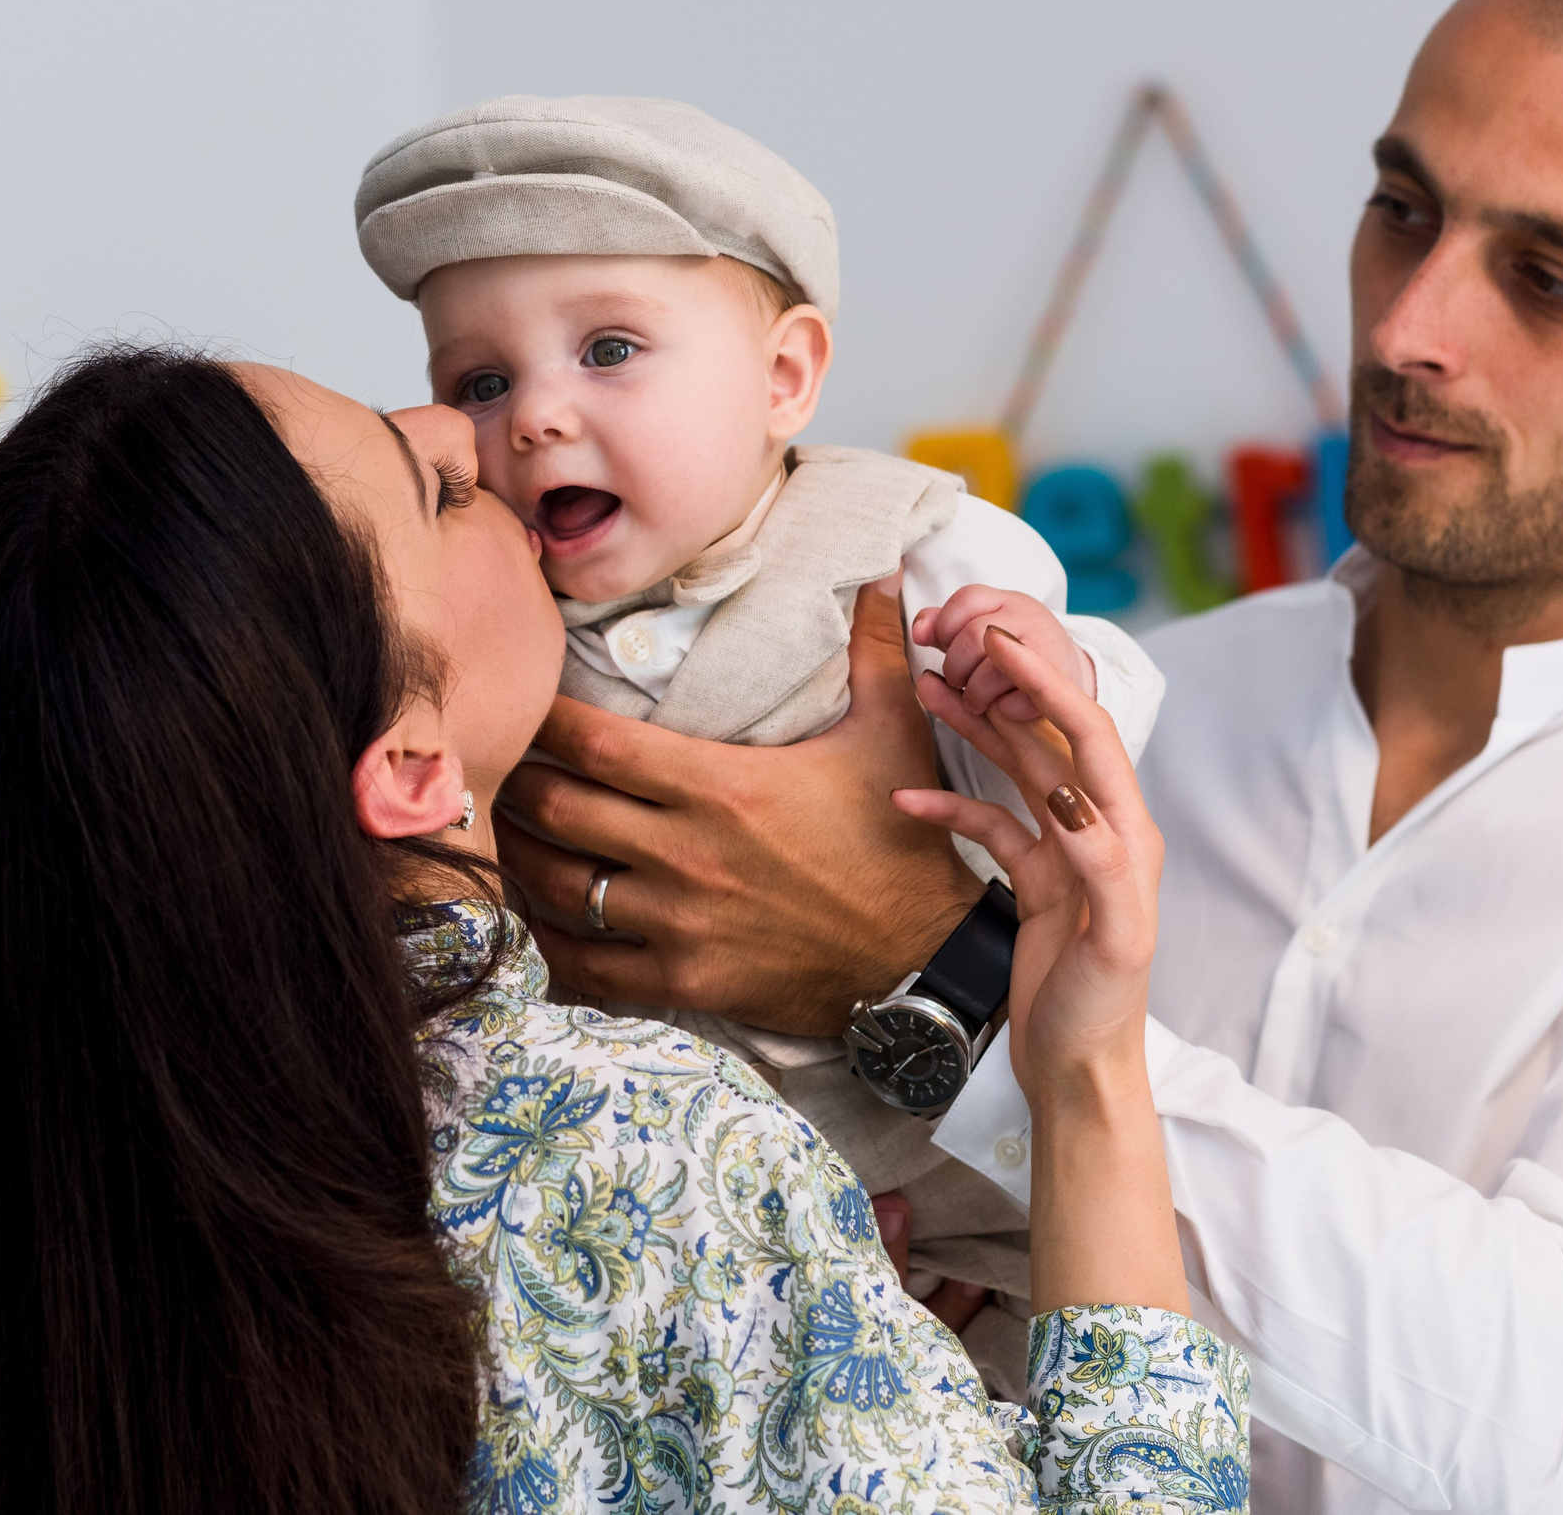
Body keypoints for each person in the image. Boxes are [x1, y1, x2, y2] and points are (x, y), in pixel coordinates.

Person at [497, 0, 1563, 1514]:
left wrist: (938, 986)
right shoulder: (1128, 699)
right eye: (1402, 208)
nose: (1409, 330)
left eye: (1547, 277)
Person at [0, 343, 1247, 1514]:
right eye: (428, 496)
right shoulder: (638, 1147)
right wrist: (1085, 1070)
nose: (467, 425)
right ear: (412, 765)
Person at [353, 93, 1166, 1376]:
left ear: (784, 376)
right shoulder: (497, 624)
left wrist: (1044, 685)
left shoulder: (901, 553)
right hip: (684, 1254)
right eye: (484, 380)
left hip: (956, 1192)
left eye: (608, 348)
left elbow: (1092, 718)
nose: (535, 417)